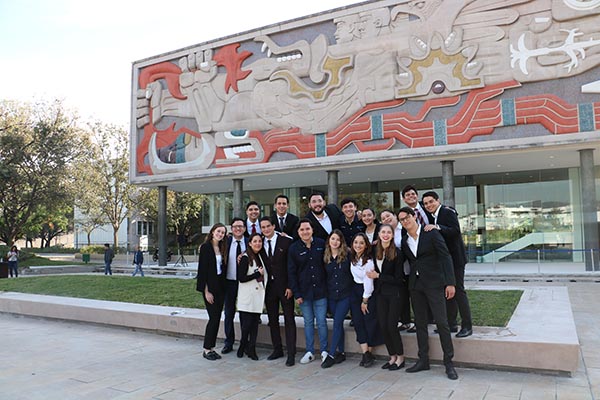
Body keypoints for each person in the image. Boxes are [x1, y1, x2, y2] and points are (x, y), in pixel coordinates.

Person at [398, 207, 458, 380]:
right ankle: (423, 360)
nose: (405, 221)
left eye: (406, 217)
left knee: (442, 322)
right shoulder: (404, 241)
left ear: (414, 216)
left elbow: (445, 257)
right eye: (401, 220)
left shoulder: (430, 233)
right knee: (420, 323)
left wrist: (450, 282)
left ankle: (449, 362)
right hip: (416, 287)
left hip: (434, 284)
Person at [422, 191, 473, 338]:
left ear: (438, 201)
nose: (428, 205)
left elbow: (456, 231)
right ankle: (451, 324)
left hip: (456, 259)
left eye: (431, 201)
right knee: (448, 292)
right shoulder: (432, 216)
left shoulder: (447, 211)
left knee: (458, 291)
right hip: (444, 261)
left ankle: (467, 326)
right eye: (426, 203)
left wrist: (437, 227)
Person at [287, 218, 329, 365]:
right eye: (302, 230)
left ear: (312, 229)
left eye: (307, 229)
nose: (305, 232)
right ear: (298, 232)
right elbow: (291, 273)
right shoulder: (293, 248)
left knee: (322, 322)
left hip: (321, 291)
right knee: (308, 322)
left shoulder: (321, 244)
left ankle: (324, 351)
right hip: (303, 293)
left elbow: (327, 266)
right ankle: (310, 351)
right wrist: (296, 293)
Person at [366, 224, 406, 371]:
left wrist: (379, 276)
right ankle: (392, 356)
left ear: (393, 235)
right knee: (383, 326)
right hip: (380, 294)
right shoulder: (375, 250)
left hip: (394, 293)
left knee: (391, 326)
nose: (386, 234)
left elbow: (398, 278)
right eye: (383, 232)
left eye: (389, 232)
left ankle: (400, 357)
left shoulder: (397, 253)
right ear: (379, 234)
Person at [260, 216, 296, 367]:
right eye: (263, 227)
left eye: (268, 226)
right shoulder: (259, 243)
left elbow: (292, 266)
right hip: (269, 288)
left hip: (285, 287)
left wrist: (290, 286)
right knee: (272, 320)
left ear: (274, 226)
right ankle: (277, 349)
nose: (266, 229)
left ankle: (291, 353)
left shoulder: (286, 241)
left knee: (289, 319)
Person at [349, 232, 383, 367]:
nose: (358, 245)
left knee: (369, 321)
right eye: (356, 242)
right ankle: (366, 354)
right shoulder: (352, 258)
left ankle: (369, 352)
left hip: (367, 293)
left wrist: (365, 300)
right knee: (358, 322)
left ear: (366, 245)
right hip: (354, 292)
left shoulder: (368, 261)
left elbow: (368, 283)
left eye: (361, 243)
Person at [196, 223, 228, 361]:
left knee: (216, 318)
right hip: (210, 288)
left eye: (223, 233)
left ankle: (212, 348)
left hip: (220, 286)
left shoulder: (222, 247)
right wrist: (206, 291)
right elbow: (202, 270)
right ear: (213, 231)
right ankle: (207, 349)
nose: (220, 234)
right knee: (213, 318)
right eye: (218, 231)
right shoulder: (205, 247)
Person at [321, 230, 352, 368]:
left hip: (346, 295)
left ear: (341, 242)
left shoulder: (347, 255)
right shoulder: (325, 256)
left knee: (337, 322)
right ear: (329, 240)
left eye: (338, 240)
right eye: (333, 239)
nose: (335, 242)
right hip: (332, 296)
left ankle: (332, 354)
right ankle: (342, 353)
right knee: (338, 323)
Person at [380, 209, 413, 332]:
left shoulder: (403, 229)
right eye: (383, 218)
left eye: (388, 216)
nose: (386, 219)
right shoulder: (386, 233)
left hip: (408, 267)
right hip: (395, 272)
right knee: (401, 295)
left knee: (411, 295)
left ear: (395, 216)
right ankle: (403, 320)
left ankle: (411, 321)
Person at [237, 232, 268, 361]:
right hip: (247, 296)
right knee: (246, 326)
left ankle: (252, 348)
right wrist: (256, 274)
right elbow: (241, 278)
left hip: (258, 296)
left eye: (259, 241)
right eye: (254, 241)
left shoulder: (261, 256)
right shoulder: (245, 257)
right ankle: (242, 345)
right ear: (249, 243)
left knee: (255, 325)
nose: (257, 243)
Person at [222, 217, 247, 354]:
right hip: (229, 282)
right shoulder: (226, 242)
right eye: (235, 226)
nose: (238, 229)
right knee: (229, 313)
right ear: (231, 229)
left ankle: (245, 342)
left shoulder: (249, 243)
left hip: (245, 283)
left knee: (244, 314)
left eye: (241, 226)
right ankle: (229, 342)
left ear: (244, 228)